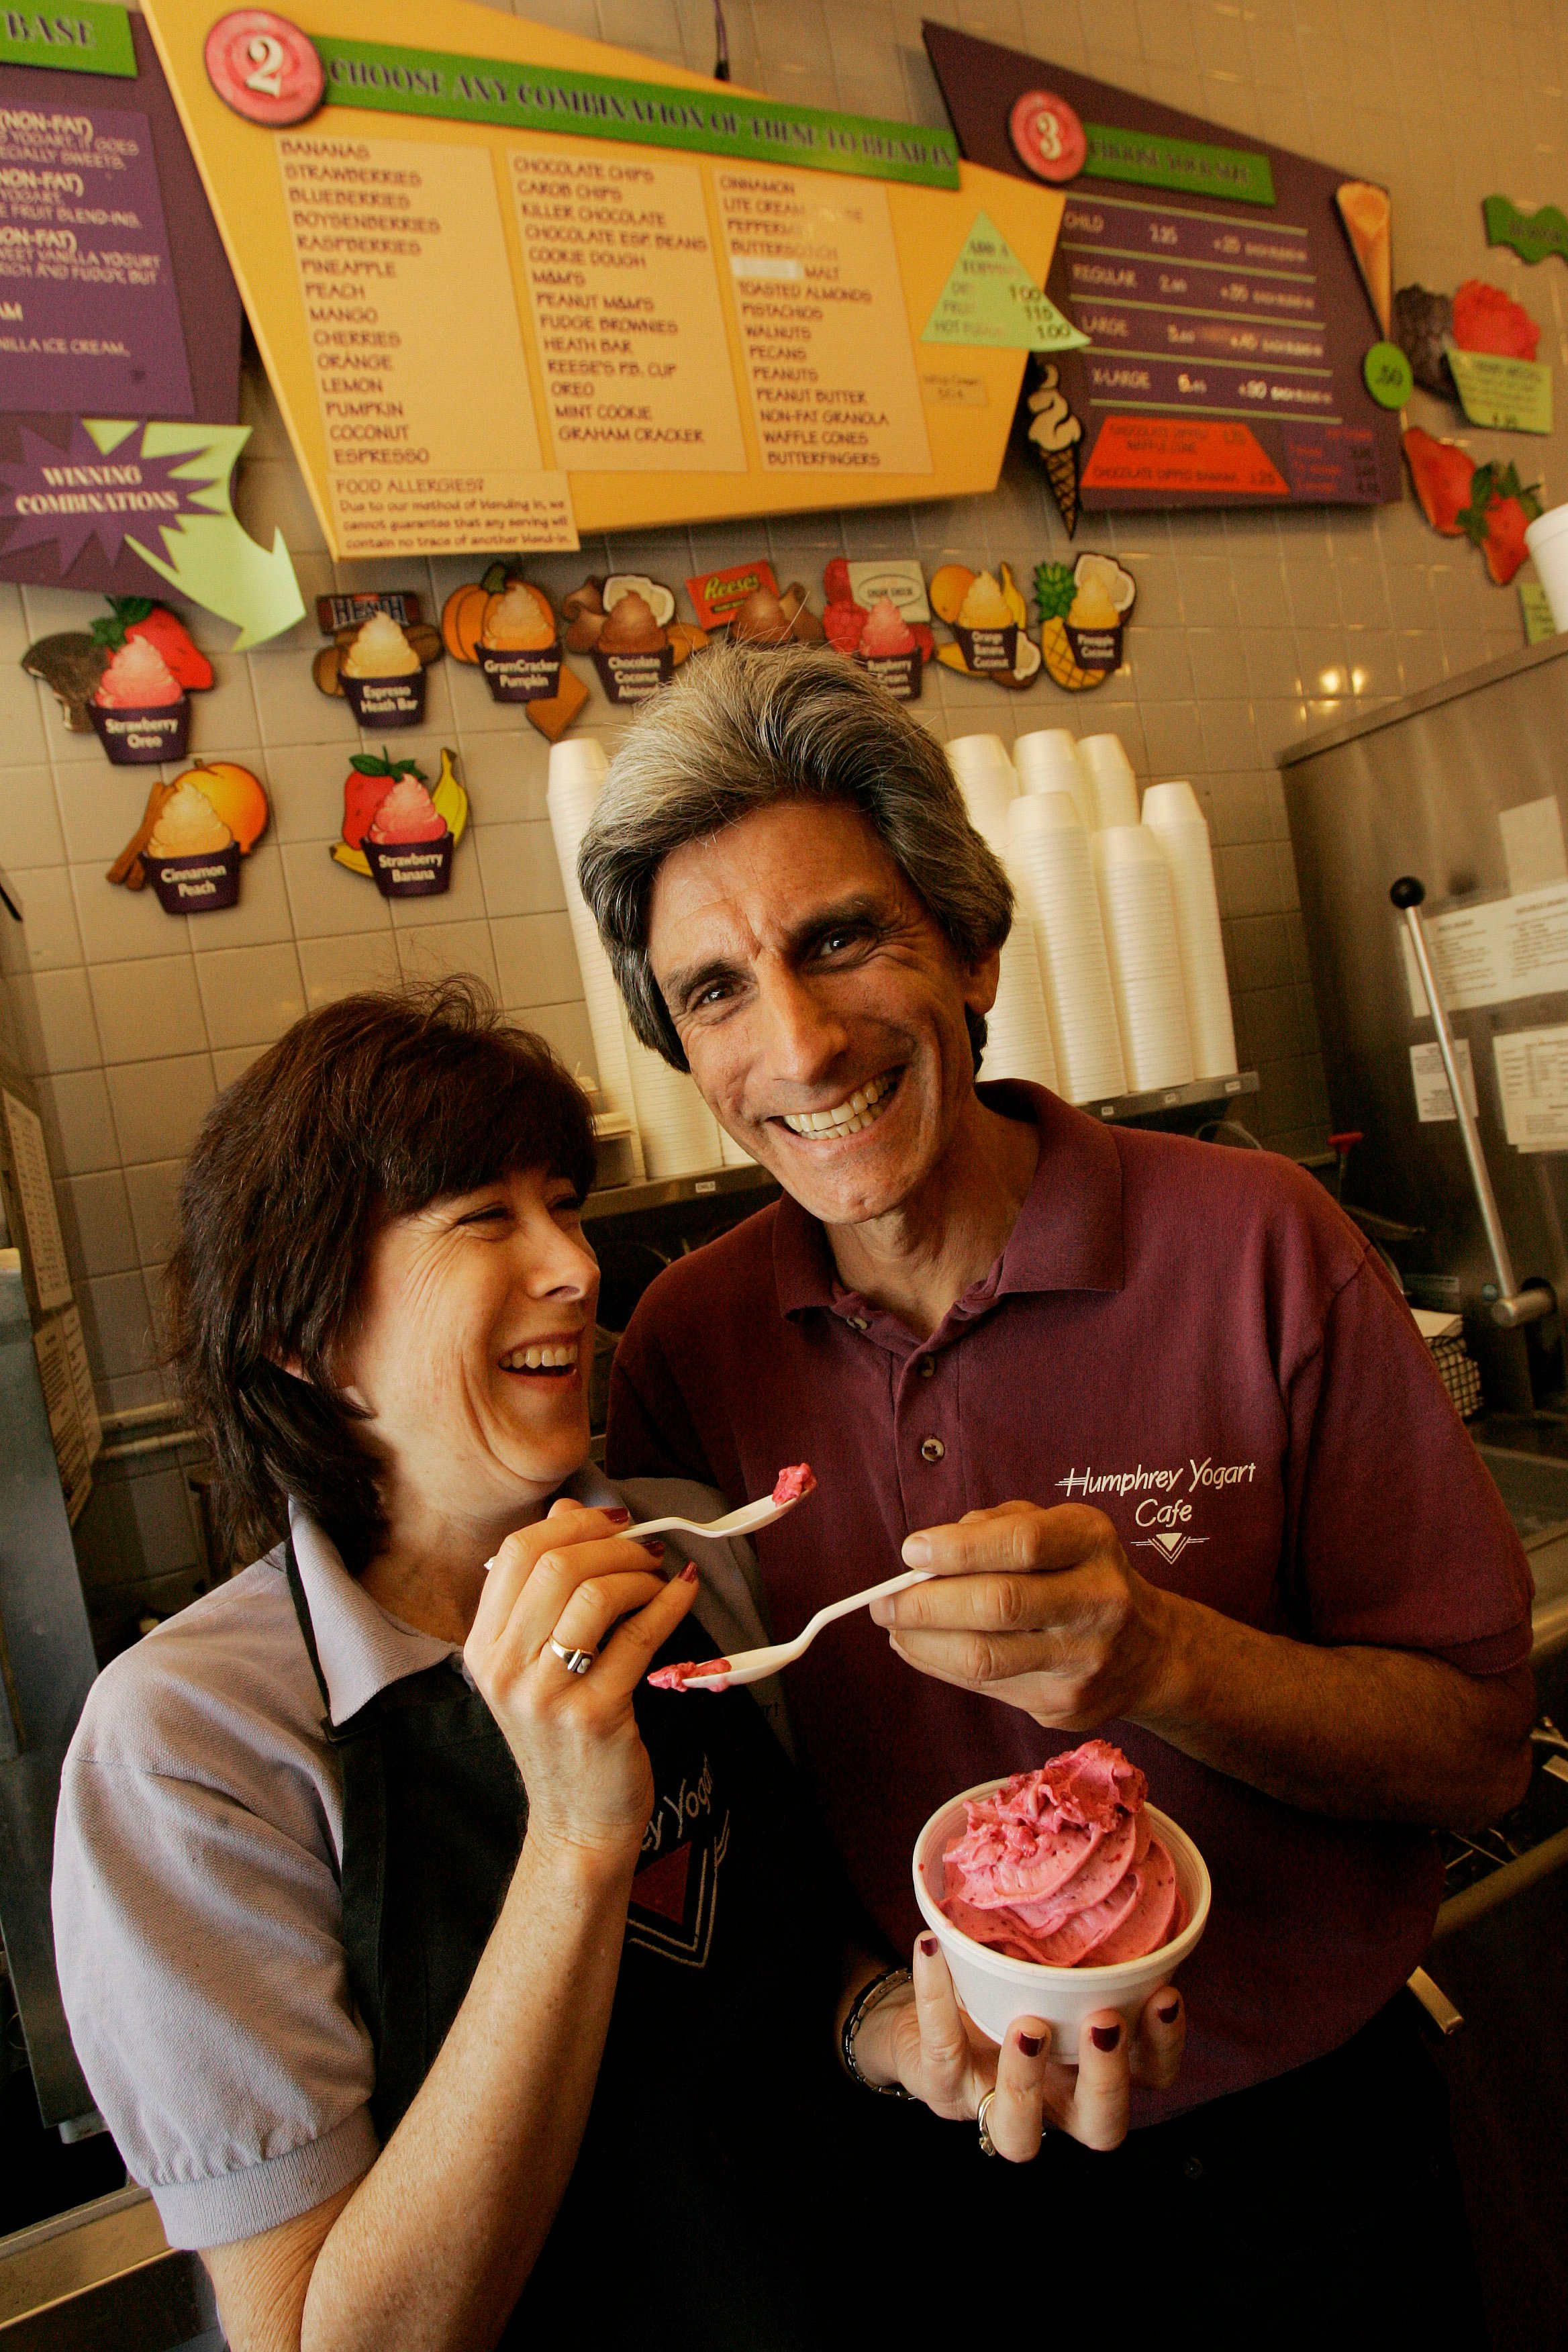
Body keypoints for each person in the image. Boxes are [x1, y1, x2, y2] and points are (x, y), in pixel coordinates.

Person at [578, 643, 1536, 2339]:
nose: (795, 1043)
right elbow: (707, 1842)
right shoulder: (688, 1350)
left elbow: (1469, 1744)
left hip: (1308, 2163)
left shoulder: (1254, 1248)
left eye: (840, 941)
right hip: (932, 2200)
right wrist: (878, 2024)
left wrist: (1163, 1658)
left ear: (973, 951)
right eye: (716, 991)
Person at [51, 983, 1183, 2352]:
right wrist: (581, 1833)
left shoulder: (701, 1554)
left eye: (565, 1204)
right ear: (303, 1336)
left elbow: (749, 1963)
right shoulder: (191, 1745)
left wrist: (903, 2028)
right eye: (484, 1218)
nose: (578, 1272)